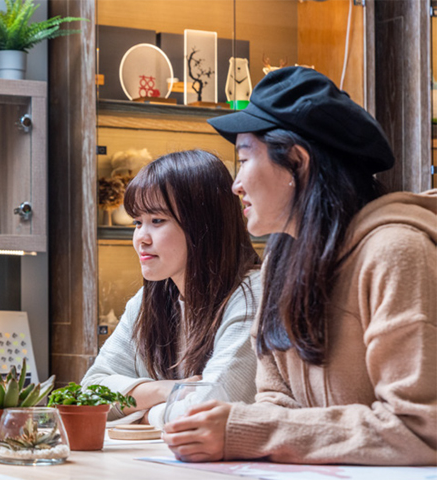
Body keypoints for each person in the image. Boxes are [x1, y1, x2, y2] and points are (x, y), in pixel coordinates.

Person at [163, 67, 437, 465]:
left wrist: (250, 431)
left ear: (296, 161)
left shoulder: (397, 252)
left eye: (243, 159)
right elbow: (277, 402)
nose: (235, 184)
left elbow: (420, 429)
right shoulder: (281, 259)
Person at [82, 150, 262, 427]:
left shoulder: (253, 295)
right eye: (137, 222)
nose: (141, 238)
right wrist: (166, 390)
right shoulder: (148, 301)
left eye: (157, 221)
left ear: (204, 224)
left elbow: (206, 409)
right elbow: (87, 393)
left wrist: (145, 413)